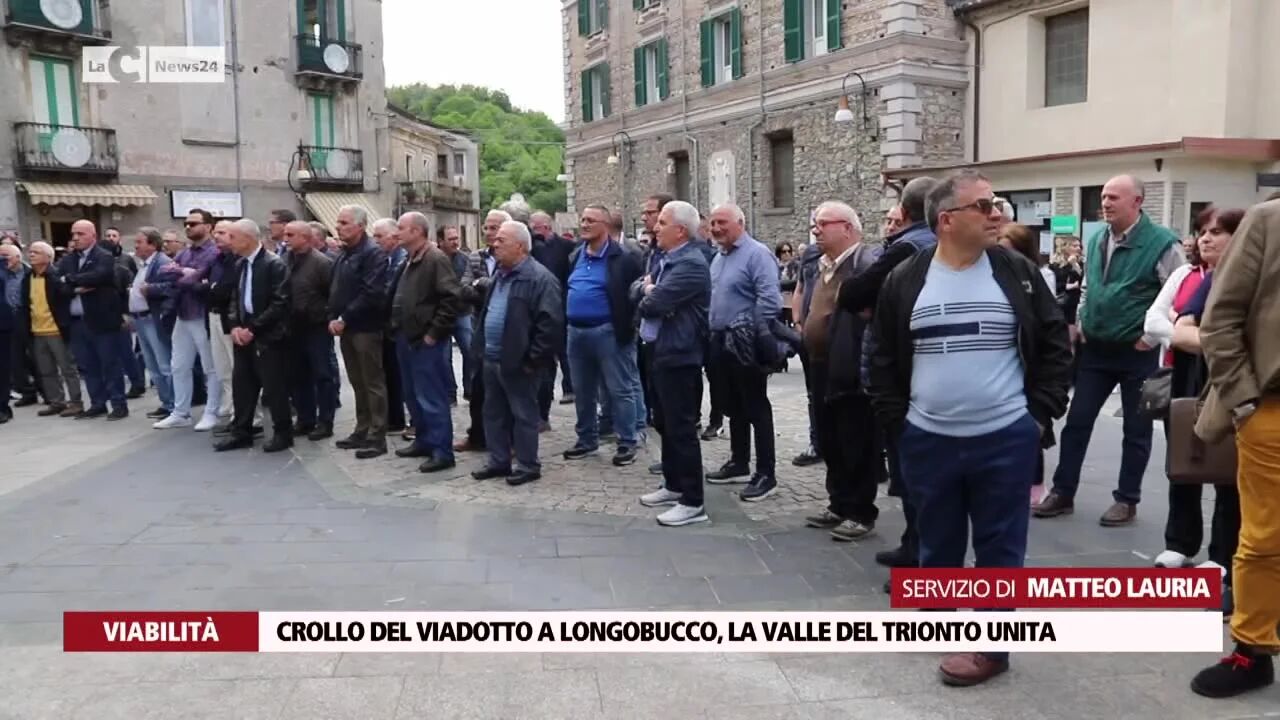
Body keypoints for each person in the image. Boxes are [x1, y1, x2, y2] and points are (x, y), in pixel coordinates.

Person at [868, 170, 1071, 686]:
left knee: (1000, 547)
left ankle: (991, 648)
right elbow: (882, 356)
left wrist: (1038, 414)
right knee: (936, 537)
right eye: (983, 206)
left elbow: (1054, 343)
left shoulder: (1016, 271)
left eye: (996, 203)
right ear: (947, 220)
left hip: (1005, 436)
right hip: (927, 437)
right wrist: (899, 422)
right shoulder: (906, 278)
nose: (996, 213)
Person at [1034, 174, 1184, 526]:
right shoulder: (1098, 237)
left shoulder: (1162, 243)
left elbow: (1178, 296)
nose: (1105, 202)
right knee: (1077, 422)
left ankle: (1127, 499)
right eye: (1103, 196)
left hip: (1137, 352)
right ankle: (1063, 492)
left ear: (1137, 202)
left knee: (1136, 429)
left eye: (1114, 197)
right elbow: (1090, 284)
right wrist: (1084, 321)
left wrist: (1150, 337)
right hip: (1097, 349)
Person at [1191, 197, 1280, 698]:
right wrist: (1245, 400)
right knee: (1266, 539)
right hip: (1271, 409)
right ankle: (1252, 650)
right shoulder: (1269, 221)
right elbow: (1219, 320)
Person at [837, 176, 938, 576]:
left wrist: (877, 306)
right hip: (914, 370)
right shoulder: (926, 247)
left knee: (916, 472)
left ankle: (923, 559)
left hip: (905, 372)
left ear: (908, 211)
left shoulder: (909, 248)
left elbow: (853, 294)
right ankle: (914, 545)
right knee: (912, 470)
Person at [1148, 208, 1244, 606]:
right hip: (1191, 382)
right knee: (1185, 463)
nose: (1205, 239)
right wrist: (1214, 338)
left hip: (1232, 385)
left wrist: (1194, 333)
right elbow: (1159, 324)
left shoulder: (1243, 276)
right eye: (1202, 231)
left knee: (1229, 476)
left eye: (1217, 232)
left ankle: (1222, 555)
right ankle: (1181, 541)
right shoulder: (1191, 277)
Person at [800, 201, 882, 541]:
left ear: (847, 228)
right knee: (830, 438)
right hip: (820, 364)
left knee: (856, 440)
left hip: (849, 368)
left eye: (823, 224)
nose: (816, 230)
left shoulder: (865, 263)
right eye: (814, 224)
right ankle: (839, 502)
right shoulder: (822, 265)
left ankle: (861, 511)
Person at [470, 220, 564, 486]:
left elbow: (550, 324)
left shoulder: (539, 278)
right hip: (492, 358)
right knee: (494, 412)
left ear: (520, 247)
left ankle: (527, 464)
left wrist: (532, 361)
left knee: (524, 415)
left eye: (502, 241)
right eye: (495, 240)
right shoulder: (500, 274)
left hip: (519, 362)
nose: (494, 244)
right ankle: (499, 461)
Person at [635, 200, 712, 526]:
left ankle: (693, 501)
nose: (655, 227)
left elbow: (653, 304)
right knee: (664, 422)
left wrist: (650, 291)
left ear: (680, 230)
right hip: (660, 349)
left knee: (681, 428)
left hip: (681, 354)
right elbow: (641, 294)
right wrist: (649, 290)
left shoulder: (691, 264)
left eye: (662, 222)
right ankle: (673, 483)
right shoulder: (668, 259)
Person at [705, 203, 783, 502]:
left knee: (755, 407)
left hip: (744, 344)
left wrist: (746, 330)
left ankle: (766, 473)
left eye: (722, 222)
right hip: (720, 342)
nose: (716, 228)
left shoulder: (757, 254)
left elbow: (769, 300)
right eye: (712, 223)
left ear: (741, 222)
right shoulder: (719, 258)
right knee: (731, 405)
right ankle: (739, 461)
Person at [561, 205, 644, 468]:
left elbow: (636, 294)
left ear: (605, 226)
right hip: (576, 332)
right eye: (582, 220)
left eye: (590, 220)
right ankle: (586, 439)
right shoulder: (575, 256)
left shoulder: (625, 258)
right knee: (583, 391)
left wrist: (628, 327)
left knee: (620, 389)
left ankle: (627, 441)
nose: (584, 224)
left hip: (609, 331)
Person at [389, 212, 464, 473]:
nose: (396, 232)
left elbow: (451, 299)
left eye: (401, 228)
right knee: (412, 395)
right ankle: (424, 440)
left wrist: (434, 333)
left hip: (425, 340)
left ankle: (442, 451)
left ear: (417, 232)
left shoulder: (434, 259)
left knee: (431, 397)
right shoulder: (409, 259)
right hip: (406, 338)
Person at [214, 219, 293, 453]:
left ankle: (283, 433)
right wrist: (235, 325)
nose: (229, 241)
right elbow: (235, 300)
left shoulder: (273, 264)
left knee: (273, 386)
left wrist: (254, 329)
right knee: (242, 385)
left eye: (233, 237)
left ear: (248, 239)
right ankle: (242, 431)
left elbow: (280, 303)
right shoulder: (241, 265)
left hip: (267, 335)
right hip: (244, 333)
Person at [997, 223, 1062, 504]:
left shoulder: (1037, 276)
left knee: (1032, 428)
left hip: (1030, 366)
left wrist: (1049, 400)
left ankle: (1035, 483)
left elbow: (1049, 327)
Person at [329, 205, 390, 459]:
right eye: (338, 222)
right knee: (357, 381)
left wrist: (344, 317)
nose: (339, 227)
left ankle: (377, 435)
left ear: (360, 225)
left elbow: (372, 292)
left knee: (372, 382)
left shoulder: (372, 254)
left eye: (344, 223)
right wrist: (332, 316)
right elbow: (336, 288)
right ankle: (362, 428)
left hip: (366, 327)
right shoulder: (345, 254)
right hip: (347, 328)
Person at [55, 220, 130, 420]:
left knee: (109, 363)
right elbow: (57, 285)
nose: (76, 238)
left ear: (93, 236)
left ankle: (118, 404)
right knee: (88, 365)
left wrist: (70, 280)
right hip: (77, 321)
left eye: (80, 233)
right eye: (73, 234)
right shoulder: (68, 260)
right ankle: (98, 403)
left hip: (102, 319)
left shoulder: (104, 256)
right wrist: (77, 286)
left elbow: (100, 275)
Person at [154, 210, 221, 431]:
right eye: (186, 223)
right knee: (178, 365)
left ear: (209, 226)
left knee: (210, 367)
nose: (188, 227)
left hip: (202, 314)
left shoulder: (214, 252)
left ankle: (212, 412)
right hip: (183, 314)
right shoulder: (184, 252)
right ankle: (180, 412)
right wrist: (185, 272)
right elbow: (166, 274)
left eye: (193, 223)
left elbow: (199, 277)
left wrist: (183, 273)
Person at [283, 220, 336, 441]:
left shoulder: (321, 263)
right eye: (285, 234)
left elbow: (331, 293)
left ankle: (325, 421)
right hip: (293, 326)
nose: (285, 238)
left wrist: (323, 314)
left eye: (290, 235)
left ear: (304, 238)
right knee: (297, 375)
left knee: (323, 375)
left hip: (316, 326)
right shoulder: (285, 260)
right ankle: (305, 419)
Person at [22, 242, 81, 417]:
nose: (31, 255)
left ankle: (76, 402)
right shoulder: (28, 277)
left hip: (56, 329)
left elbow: (66, 295)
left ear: (48, 257)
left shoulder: (55, 276)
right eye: (30, 252)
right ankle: (57, 401)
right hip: (37, 330)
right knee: (46, 370)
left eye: (36, 252)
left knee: (67, 368)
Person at [126, 228, 177, 420]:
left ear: (152, 244)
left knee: (164, 364)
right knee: (152, 365)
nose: (136, 246)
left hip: (153, 318)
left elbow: (172, 286)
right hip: (141, 319)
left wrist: (151, 289)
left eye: (140, 242)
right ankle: (166, 403)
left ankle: (173, 404)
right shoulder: (144, 264)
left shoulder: (163, 262)